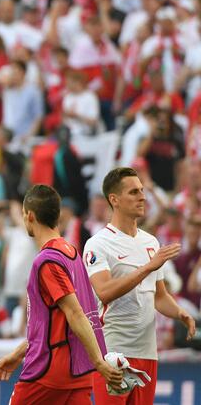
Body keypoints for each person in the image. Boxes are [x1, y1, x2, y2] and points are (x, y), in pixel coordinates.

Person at [0, 185, 123, 404]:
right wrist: (19, 353)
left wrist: (100, 363)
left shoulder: (47, 261)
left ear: (29, 216)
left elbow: (75, 313)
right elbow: (55, 323)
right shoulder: (72, 253)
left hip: (47, 371)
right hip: (78, 373)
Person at [85, 168, 197, 405]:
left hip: (147, 353)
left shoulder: (150, 242)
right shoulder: (98, 244)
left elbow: (159, 296)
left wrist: (179, 312)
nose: (142, 197)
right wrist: (147, 267)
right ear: (114, 199)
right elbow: (104, 292)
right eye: (134, 192)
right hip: (113, 354)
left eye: (142, 191)